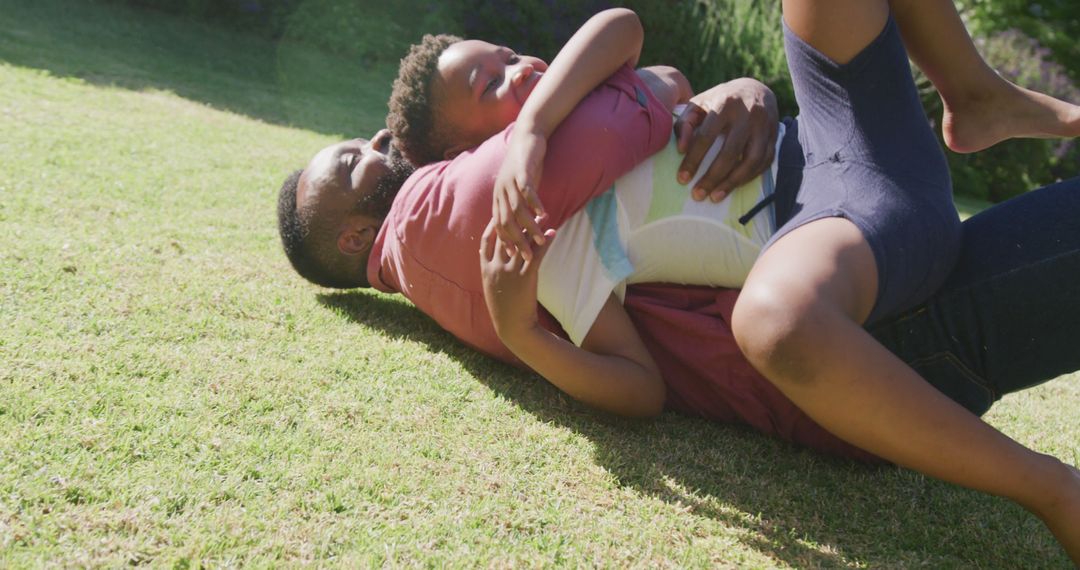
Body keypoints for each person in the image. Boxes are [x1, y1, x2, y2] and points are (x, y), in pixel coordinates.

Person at [276, 9, 1080, 564]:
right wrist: (657, 95)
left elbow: (644, 77)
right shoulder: (443, 219)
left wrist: (739, 92)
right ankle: (1053, 491)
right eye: (351, 159)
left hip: (846, 187)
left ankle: (973, 93)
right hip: (880, 324)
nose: (374, 143)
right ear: (352, 235)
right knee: (781, 317)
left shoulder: (536, 204)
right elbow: (638, 94)